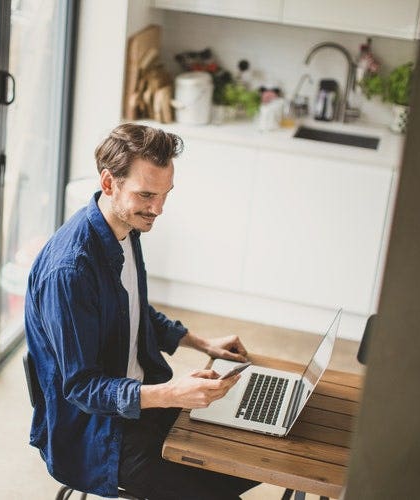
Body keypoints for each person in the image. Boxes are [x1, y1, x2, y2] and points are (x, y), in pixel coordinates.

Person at [25, 123, 259, 499]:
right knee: (225, 478)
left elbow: (132, 308)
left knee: (249, 456)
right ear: (108, 183)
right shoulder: (70, 272)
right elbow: (82, 388)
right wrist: (172, 393)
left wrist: (202, 343)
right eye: (147, 195)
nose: (159, 209)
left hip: (140, 401)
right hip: (98, 437)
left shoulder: (126, 226)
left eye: (165, 195)